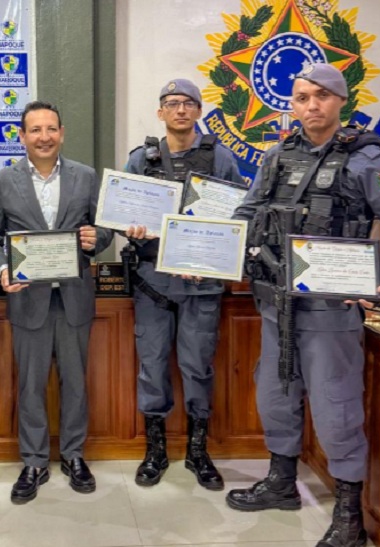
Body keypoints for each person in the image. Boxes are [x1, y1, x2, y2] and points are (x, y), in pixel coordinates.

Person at [228, 63, 380, 547]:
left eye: (322, 96)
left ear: (341, 101)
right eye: (302, 97)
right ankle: (281, 482)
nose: (311, 105)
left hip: (331, 309)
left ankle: (349, 516)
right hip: (275, 302)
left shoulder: (367, 158)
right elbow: (246, 213)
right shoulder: (277, 155)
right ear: (292, 104)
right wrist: (209, 250)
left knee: (336, 407)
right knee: (275, 395)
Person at [0, 100, 113, 503]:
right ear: (22, 136)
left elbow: (104, 228)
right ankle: (34, 461)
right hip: (27, 298)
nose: (44, 137)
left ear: (62, 133)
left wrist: (97, 238)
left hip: (74, 297)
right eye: (35, 130)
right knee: (30, 386)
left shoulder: (85, 176)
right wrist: (1, 269)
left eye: (51, 129)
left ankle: (74, 455)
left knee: (76, 383)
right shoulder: (3, 181)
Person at [124, 79, 242, 490]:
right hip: (153, 285)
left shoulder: (221, 159)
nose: (180, 110)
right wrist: (130, 228)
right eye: (172, 103)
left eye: (188, 103)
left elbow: (238, 220)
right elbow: (122, 214)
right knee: (152, 366)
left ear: (198, 111)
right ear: (160, 112)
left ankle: (197, 450)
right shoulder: (141, 160)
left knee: (198, 367)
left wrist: (208, 259)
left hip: (202, 285)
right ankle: (155, 450)